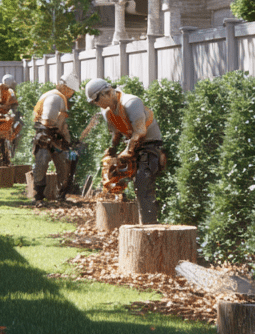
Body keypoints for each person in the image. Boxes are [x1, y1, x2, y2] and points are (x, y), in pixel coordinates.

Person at [85, 78, 164, 223]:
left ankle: (149, 225)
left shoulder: (131, 103)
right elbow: (116, 133)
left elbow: (140, 132)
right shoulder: (107, 111)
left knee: (142, 181)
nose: (96, 104)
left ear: (106, 93)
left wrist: (126, 152)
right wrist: (112, 151)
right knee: (118, 176)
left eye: (96, 100)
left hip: (150, 145)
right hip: (133, 144)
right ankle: (125, 218)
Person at [31, 73, 80, 206]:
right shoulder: (55, 97)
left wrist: (67, 139)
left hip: (53, 137)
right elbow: (49, 121)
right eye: (72, 90)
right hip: (45, 136)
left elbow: (60, 123)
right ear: (66, 87)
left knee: (61, 165)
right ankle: (39, 197)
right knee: (42, 164)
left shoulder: (56, 97)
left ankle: (58, 197)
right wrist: (64, 137)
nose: (72, 94)